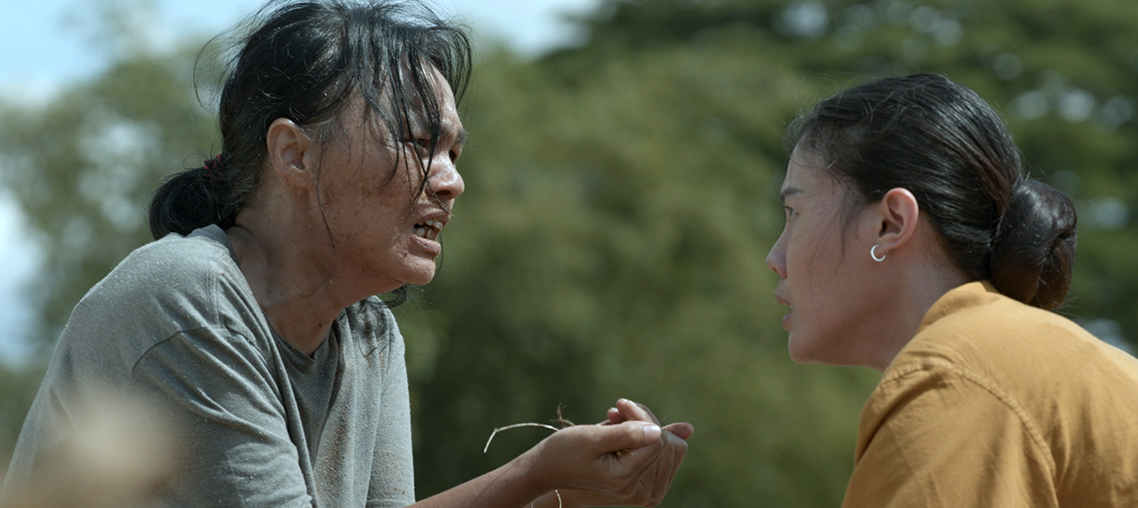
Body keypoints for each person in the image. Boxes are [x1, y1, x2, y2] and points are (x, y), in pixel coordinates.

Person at [0, 1, 692, 507]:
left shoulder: (367, 334)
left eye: (454, 153)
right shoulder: (188, 301)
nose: (451, 182)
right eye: (418, 143)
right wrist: (533, 474)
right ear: (294, 155)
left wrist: (566, 494)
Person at [766, 73, 1138, 506]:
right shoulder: (1005, 358)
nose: (775, 257)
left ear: (891, 223)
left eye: (794, 212)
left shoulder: (957, 375)